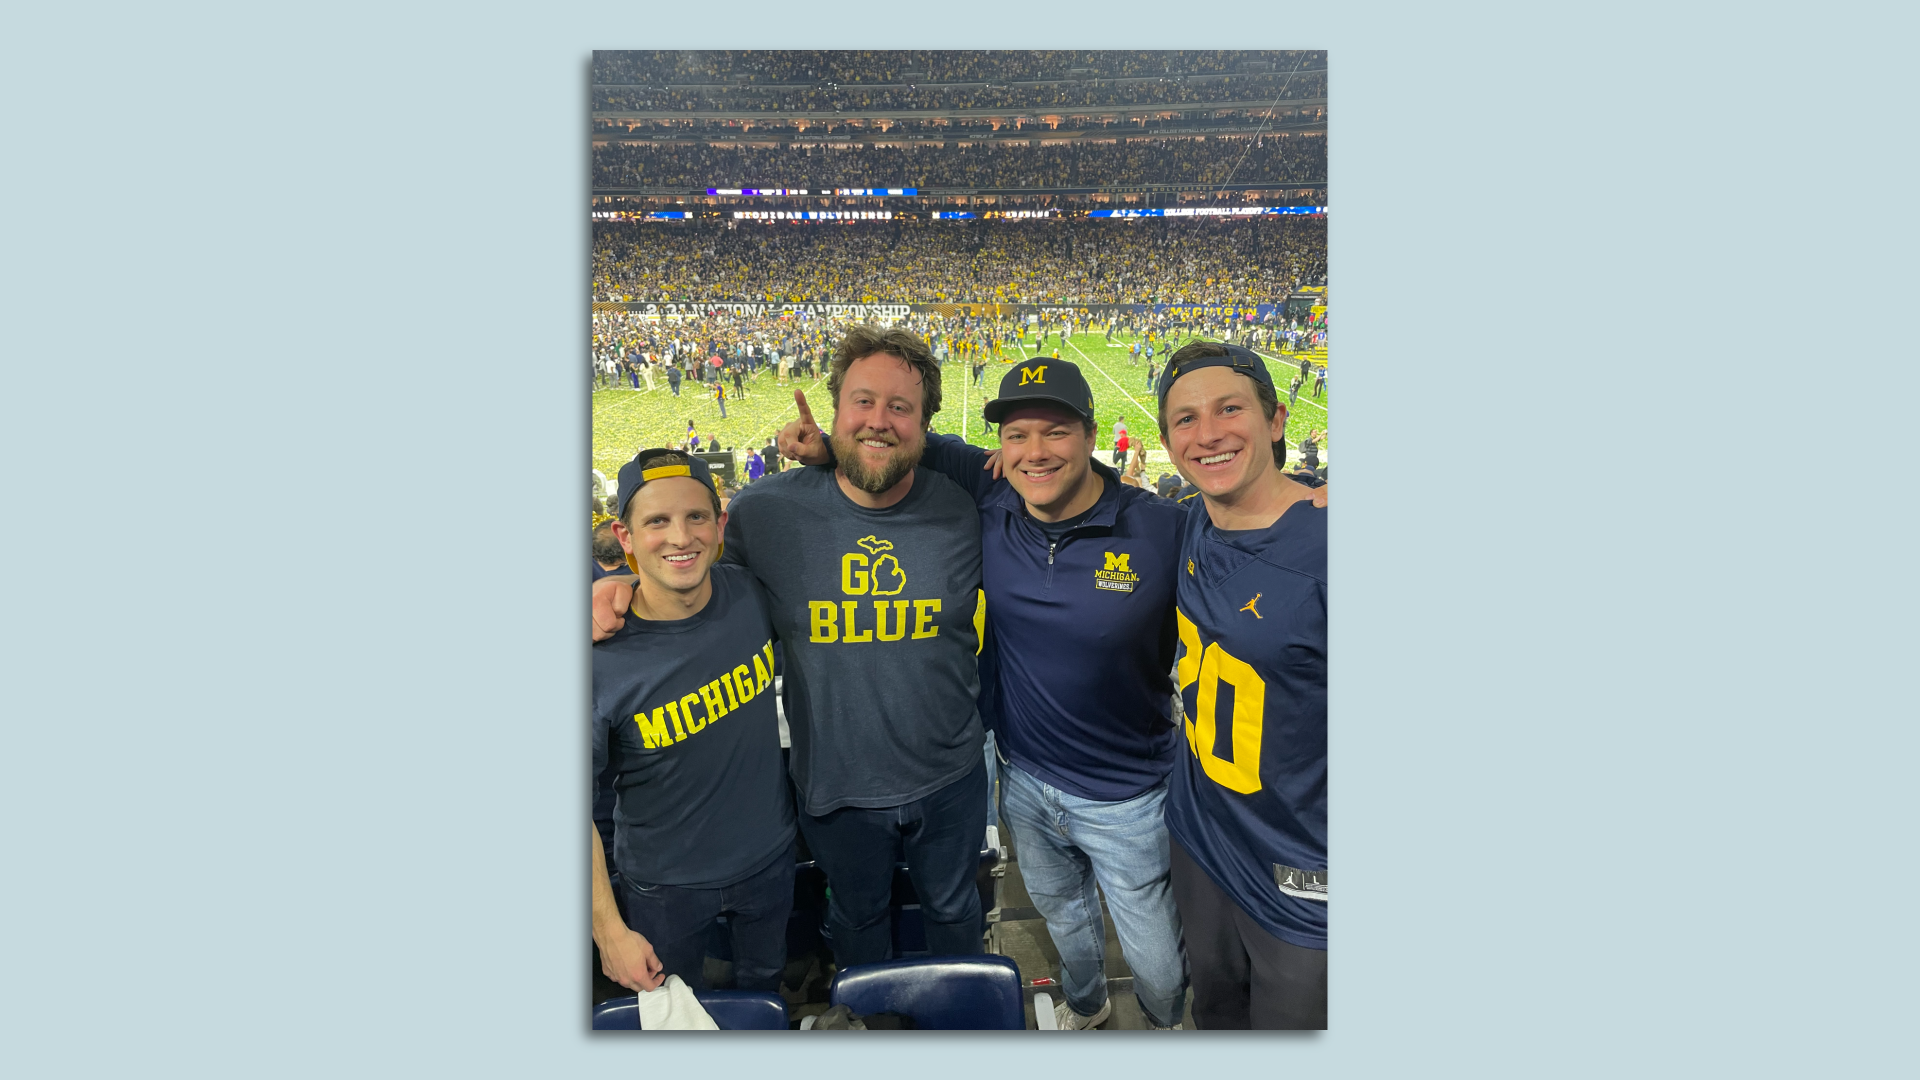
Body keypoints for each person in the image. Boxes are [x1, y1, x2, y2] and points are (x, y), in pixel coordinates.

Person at [784, 356, 1191, 1031]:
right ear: (998, 446)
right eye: (1017, 435)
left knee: (1154, 952)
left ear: (1093, 436)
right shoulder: (990, 493)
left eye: (1055, 432)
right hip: (1022, 776)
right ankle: (1087, 1005)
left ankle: (1167, 1023)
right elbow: (894, 441)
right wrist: (830, 445)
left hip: (1130, 791)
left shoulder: (1159, 529)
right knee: (1063, 914)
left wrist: (1304, 506)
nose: (1034, 452)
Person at [596, 324, 989, 970]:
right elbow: (691, 583)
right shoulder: (765, 513)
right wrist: (614, 589)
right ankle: (875, 1024)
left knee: (954, 912)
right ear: (834, 410)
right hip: (835, 789)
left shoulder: (965, 504)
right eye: (863, 402)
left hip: (952, 780)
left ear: (926, 423)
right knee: (856, 918)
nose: (879, 421)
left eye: (901, 407)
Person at [1154, 341, 1327, 1029]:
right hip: (1202, 840)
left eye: (1230, 409)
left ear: (1277, 419)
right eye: (1185, 420)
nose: (1209, 434)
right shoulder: (1194, 519)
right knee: (1217, 1022)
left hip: (1303, 879)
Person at [591, 449, 796, 995]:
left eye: (696, 517)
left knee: (765, 995)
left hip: (771, 860)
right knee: (678, 1021)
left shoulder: (750, 595)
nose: (680, 537)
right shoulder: (594, 656)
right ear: (625, 536)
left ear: (721, 524)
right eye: (657, 521)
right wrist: (608, 932)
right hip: (665, 888)